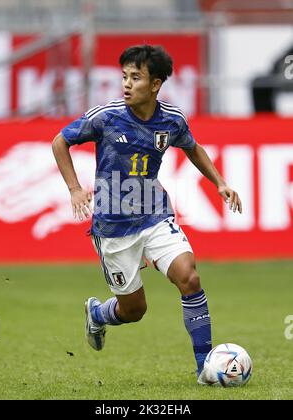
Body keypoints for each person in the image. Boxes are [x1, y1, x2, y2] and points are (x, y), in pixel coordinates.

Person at [52, 44, 242, 385]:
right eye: (124, 76)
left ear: (155, 84)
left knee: (190, 277)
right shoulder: (106, 116)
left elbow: (192, 146)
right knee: (134, 311)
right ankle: (97, 312)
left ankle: (205, 370)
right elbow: (59, 141)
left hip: (155, 215)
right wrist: (74, 189)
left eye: (135, 77)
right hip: (113, 228)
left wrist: (220, 183)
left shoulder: (171, 119)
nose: (126, 84)